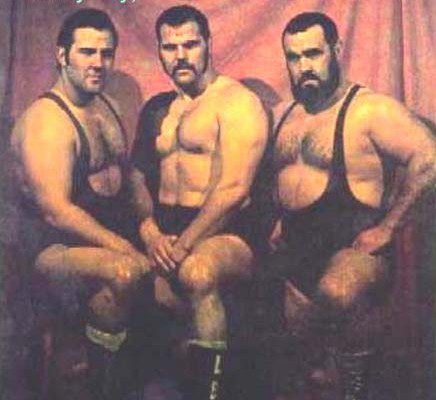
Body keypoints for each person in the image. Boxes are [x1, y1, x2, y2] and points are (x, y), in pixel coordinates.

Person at [268, 11, 436, 400]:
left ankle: (356, 390)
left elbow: (430, 159)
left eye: (313, 54)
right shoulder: (284, 115)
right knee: (300, 367)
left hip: (353, 252)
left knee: (336, 291)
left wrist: (389, 227)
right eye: (294, 57)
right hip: (296, 252)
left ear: (335, 50)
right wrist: (279, 219)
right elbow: (283, 179)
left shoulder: (369, 110)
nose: (304, 67)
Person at [129, 4, 268, 399]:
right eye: (170, 47)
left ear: (208, 43)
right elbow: (137, 176)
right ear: (159, 51)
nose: (180, 56)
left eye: (190, 45)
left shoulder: (237, 102)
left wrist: (182, 246)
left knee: (197, 272)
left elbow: (235, 189)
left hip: (225, 231)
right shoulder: (157, 108)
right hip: (166, 231)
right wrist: (148, 230)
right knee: (122, 274)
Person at [10, 8, 150, 399]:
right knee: (125, 272)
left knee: (176, 280)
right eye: (87, 52)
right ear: (62, 55)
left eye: (106, 53)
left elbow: (130, 180)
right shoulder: (46, 122)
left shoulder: (108, 107)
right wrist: (124, 247)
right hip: (51, 248)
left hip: (99, 239)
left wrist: (150, 229)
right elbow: (57, 211)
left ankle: (115, 385)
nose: (98, 63)